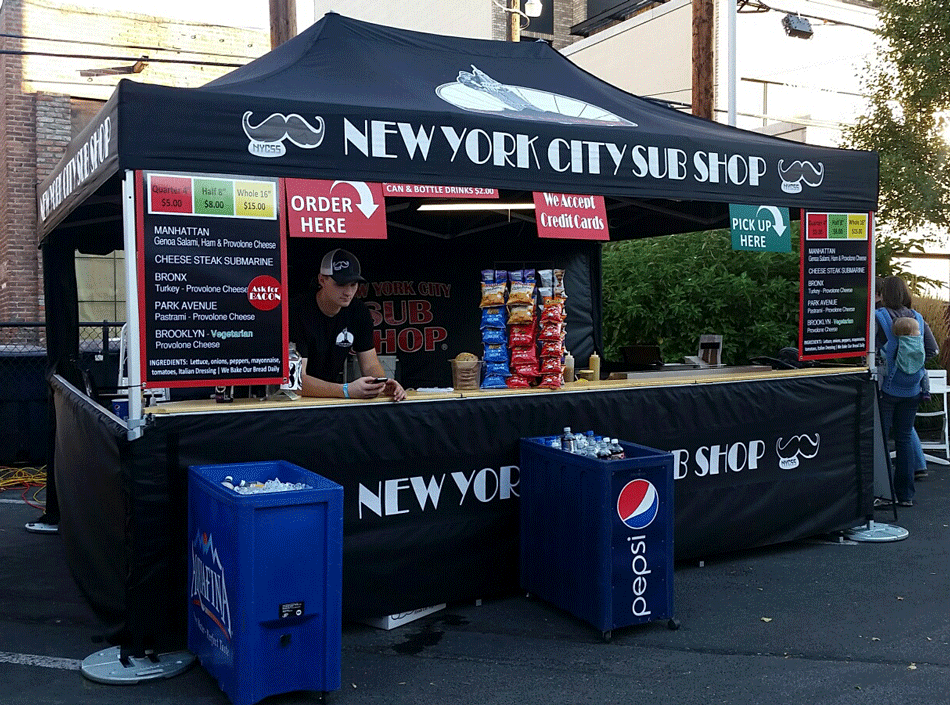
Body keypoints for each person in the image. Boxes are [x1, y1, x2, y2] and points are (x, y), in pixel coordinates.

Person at [290, 248, 406, 401]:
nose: (348, 292)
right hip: (292, 402)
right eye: (341, 284)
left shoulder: (358, 311)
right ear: (322, 280)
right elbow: (295, 382)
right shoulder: (297, 312)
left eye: (353, 285)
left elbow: (370, 364)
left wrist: (382, 383)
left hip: (332, 398)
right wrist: (345, 390)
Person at [874, 275, 934, 507]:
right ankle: (906, 495)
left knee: (881, 439)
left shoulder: (879, 318)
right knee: (905, 438)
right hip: (913, 388)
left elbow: (870, 351)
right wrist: (914, 366)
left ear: (884, 293)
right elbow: (933, 350)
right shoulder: (918, 318)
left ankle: (884, 491)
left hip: (888, 388)